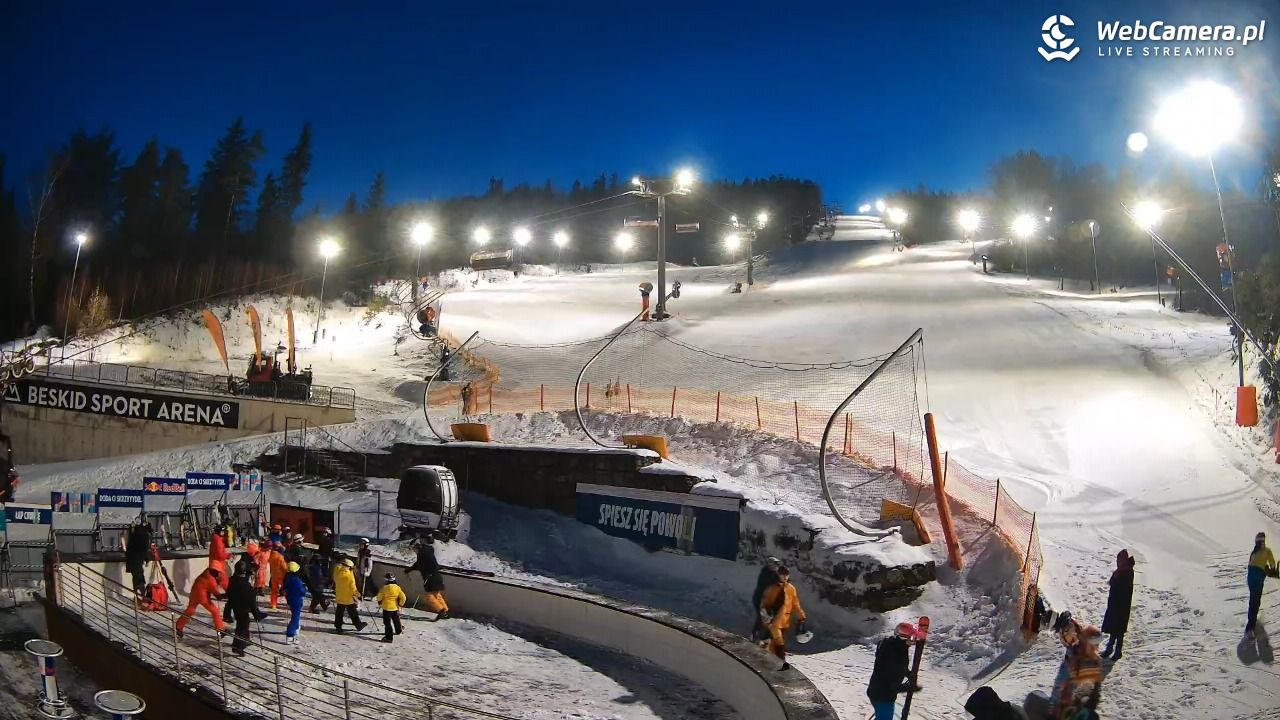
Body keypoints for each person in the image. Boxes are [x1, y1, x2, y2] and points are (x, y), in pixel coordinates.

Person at [867, 622, 918, 720]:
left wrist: (908, 674)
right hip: (882, 695)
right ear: (903, 637)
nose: (914, 641)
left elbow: (898, 667)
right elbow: (889, 680)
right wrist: (907, 687)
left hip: (878, 692)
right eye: (912, 638)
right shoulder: (894, 651)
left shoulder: (896, 646)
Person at [759, 565, 806, 670]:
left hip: (784, 621)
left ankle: (767, 660)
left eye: (786, 575)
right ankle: (782, 662)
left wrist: (801, 616)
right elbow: (764, 604)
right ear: (778, 575)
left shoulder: (791, 589)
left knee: (774, 643)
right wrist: (766, 615)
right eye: (782, 574)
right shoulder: (772, 588)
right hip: (773, 621)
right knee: (779, 642)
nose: (784, 577)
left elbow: (795, 604)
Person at [226, 562, 266, 656]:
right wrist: (256, 614)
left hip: (235, 605)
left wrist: (250, 572)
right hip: (243, 608)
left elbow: (241, 579)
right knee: (242, 627)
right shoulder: (246, 586)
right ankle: (238, 646)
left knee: (242, 625)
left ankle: (243, 641)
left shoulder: (233, 580)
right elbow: (252, 601)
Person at [1101, 549, 1135, 660]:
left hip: (1122, 606)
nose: (1118, 562)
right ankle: (1109, 649)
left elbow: (1122, 588)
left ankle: (1118, 651)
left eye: (1119, 560)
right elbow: (1112, 582)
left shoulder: (1128, 572)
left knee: (1119, 631)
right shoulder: (1120, 570)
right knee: (1113, 629)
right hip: (1115, 605)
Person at [176, 567, 226, 638]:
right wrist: (224, 596)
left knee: (190, 610)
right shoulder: (211, 581)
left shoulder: (205, 573)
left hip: (194, 593)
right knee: (215, 611)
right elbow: (217, 594)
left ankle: (179, 626)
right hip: (202, 597)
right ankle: (220, 630)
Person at [1247, 531, 1278, 638]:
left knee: (1253, 599)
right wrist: (1271, 570)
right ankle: (1250, 627)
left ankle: (1252, 622)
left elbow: (1251, 565)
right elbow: (1272, 564)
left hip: (1250, 577)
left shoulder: (1254, 552)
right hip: (1258, 576)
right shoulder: (1267, 550)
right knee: (1256, 600)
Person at [750, 556, 782, 640]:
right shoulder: (765, 573)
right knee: (762, 617)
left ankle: (765, 637)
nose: (777, 567)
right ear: (770, 565)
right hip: (760, 599)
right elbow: (767, 585)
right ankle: (754, 635)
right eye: (775, 565)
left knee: (771, 618)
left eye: (777, 565)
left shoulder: (775, 574)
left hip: (768, 600)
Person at [332, 558, 367, 633]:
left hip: (339, 595)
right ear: (349, 567)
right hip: (348, 598)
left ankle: (338, 627)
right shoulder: (350, 577)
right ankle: (358, 625)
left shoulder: (337, 573)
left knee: (339, 612)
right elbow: (353, 589)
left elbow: (337, 567)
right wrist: (359, 595)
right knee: (353, 612)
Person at [376, 572, 407, 643]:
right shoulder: (397, 588)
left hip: (386, 608)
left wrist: (379, 601)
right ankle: (398, 630)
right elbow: (403, 598)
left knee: (387, 623)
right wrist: (400, 604)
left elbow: (379, 597)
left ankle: (389, 638)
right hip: (395, 607)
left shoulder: (384, 588)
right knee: (396, 620)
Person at [282, 561, 308, 644]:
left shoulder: (287, 579)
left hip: (290, 599)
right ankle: (290, 635)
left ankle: (296, 629)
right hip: (296, 600)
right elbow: (302, 592)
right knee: (295, 617)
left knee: (295, 616)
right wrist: (305, 588)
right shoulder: (297, 580)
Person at [124, 523, 152, 596]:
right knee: (140, 579)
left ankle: (136, 597)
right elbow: (145, 549)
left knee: (135, 578)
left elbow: (129, 546)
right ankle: (143, 597)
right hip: (138, 561)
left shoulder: (134, 534)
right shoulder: (145, 535)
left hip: (130, 559)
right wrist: (147, 559)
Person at [208, 523, 231, 589]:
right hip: (217, 565)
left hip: (214, 564)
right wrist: (228, 555)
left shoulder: (215, 539)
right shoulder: (218, 540)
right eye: (222, 531)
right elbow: (220, 555)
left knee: (215, 582)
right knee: (224, 582)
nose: (223, 533)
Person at [268, 542, 289, 610]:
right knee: (285, 590)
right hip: (281, 576)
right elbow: (284, 568)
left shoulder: (271, 555)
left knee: (274, 590)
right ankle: (289, 602)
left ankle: (273, 604)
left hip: (273, 575)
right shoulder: (280, 557)